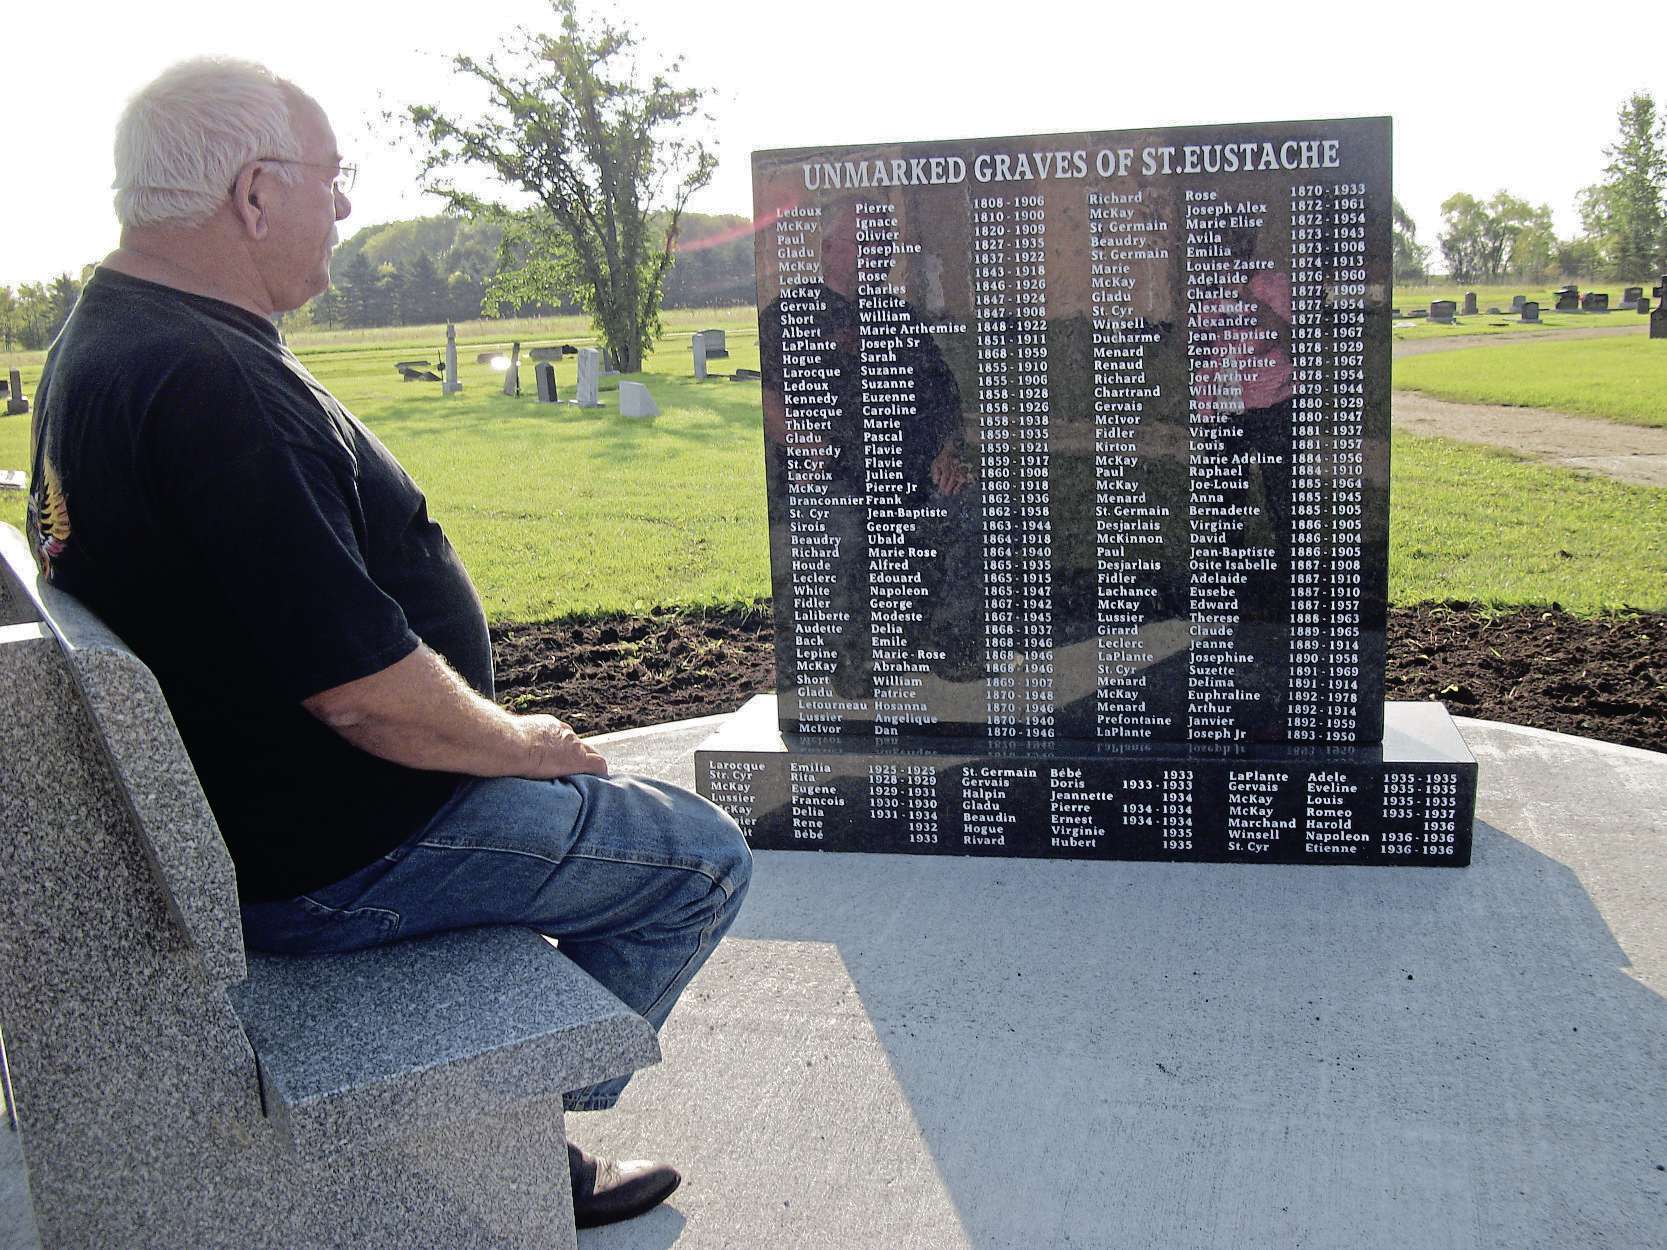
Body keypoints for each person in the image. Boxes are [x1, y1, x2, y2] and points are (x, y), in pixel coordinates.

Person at [24, 57, 749, 1232]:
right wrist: (520, 742)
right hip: (338, 855)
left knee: (593, 843)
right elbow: (363, 695)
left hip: (253, 828)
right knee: (701, 860)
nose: (347, 206)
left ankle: (492, 1118)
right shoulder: (209, 381)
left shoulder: (103, 344)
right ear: (255, 195)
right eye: (333, 177)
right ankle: (506, 1135)